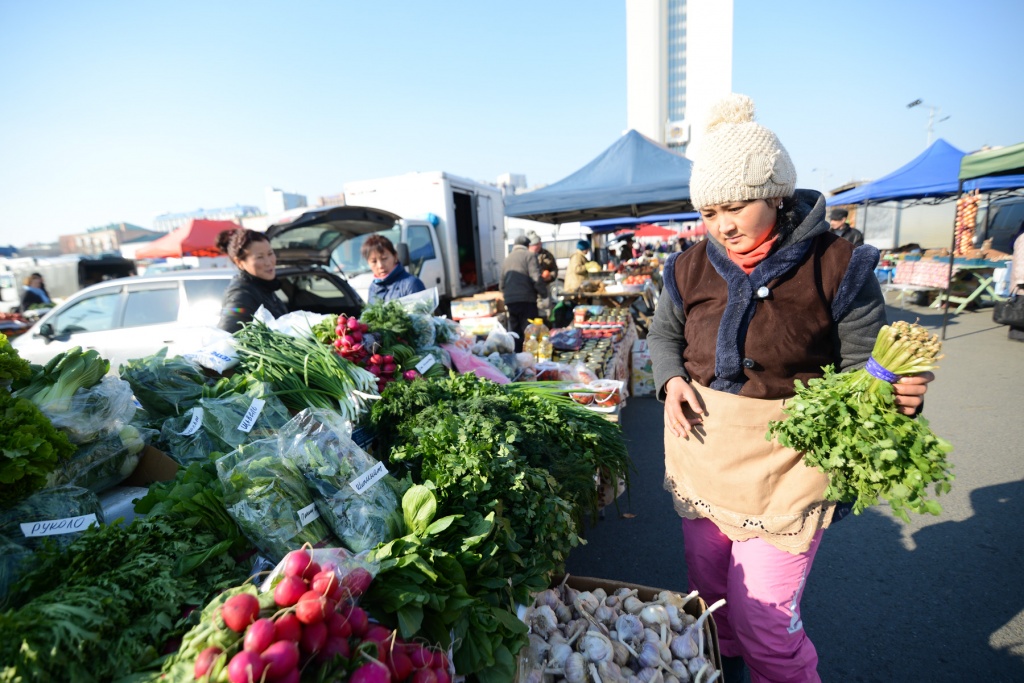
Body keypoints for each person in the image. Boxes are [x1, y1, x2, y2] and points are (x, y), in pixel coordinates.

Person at [647, 94, 933, 683]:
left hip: (789, 464)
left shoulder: (839, 264)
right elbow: (662, 337)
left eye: (737, 205)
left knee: (764, 618)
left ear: (775, 193)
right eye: (709, 212)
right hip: (705, 455)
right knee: (711, 597)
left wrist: (895, 391)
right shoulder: (686, 267)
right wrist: (671, 379)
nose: (723, 225)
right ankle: (721, 672)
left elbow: (864, 364)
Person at [218, 228, 289, 333]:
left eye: (270, 254)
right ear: (239, 263)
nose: (268, 262)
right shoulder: (241, 295)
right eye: (260, 257)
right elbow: (226, 335)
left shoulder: (264, 286)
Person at [500, 235, 547, 352]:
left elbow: (501, 284)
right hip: (527, 300)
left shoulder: (507, 259)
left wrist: (507, 296)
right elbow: (536, 278)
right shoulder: (529, 256)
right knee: (529, 332)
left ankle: (518, 357)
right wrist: (544, 295)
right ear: (527, 245)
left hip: (511, 301)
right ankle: (529, 358)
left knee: (515, 332)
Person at [362, 235, 425, 304]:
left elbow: (421, 313)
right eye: (374, 261)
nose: (380, 266)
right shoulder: (373, 288)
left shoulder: (411, 284)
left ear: (395, 256)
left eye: (384, 258)